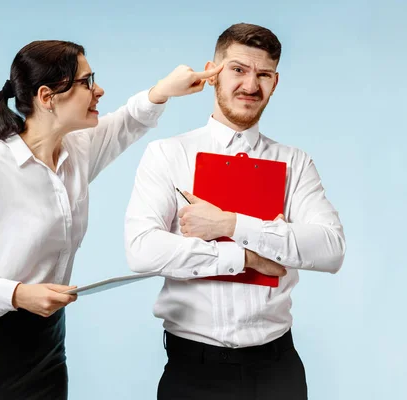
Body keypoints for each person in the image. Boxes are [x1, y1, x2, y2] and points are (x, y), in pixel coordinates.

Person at [0, 40, 223, 399]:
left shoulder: (75, 149)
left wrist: (163, 90)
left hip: (48, 347)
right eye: (87, 81)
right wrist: (17, 293)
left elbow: (125, 123)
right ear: (47, 96)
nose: (99, 90)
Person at [125, 23, 346, 400]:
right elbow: (142, 250)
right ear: (213, 74)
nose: (250, 85)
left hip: (278, 368)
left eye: (263, 75)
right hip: (192, 371)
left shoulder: (295, 163)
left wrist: (230, 223)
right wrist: (248, 256)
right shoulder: (168, 154)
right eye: (239, 70)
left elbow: (330, 249)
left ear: (275, 83)